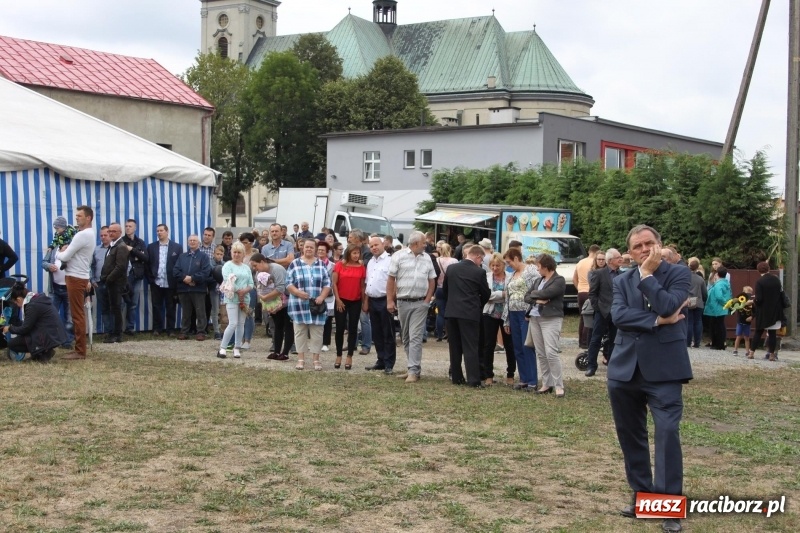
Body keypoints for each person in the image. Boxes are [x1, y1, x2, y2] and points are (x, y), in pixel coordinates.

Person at [609, 224, 691, 533]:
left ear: (659, 245)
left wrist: (647, 276)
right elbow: (619, 316)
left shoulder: (679, 274)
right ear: (629, 252)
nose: (644, 250)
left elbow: (669, 304)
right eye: (638, 246)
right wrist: (658, 321)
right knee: (631, 436)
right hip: (624, 369)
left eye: (649, 244)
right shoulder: (620, 280)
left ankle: (669, 509)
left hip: (665, 371)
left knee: (667, 434)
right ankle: (644, 498)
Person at [387, 231, 436, 383]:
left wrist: (427, 300)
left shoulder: (427, 258)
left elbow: (432, 280)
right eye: (423, 243)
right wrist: (390, 300)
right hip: (403, 301)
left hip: (420, 302)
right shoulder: (398, 256)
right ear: (415, 244)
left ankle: (413, 371)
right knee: (406, 337)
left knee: (415, 336)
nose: (425, 245)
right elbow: (391, 279)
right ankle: (412, 367)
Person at [443, 245, 491, 387]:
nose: (481, 262)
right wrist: (477, 304)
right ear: (477, 256)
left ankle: (457, 377)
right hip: (470, 313)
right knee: (470, 346)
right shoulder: (479, 272)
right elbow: (486, 293)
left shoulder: (451, 268)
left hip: (452, 312)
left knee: (455, 346)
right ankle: (473, 379)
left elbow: (445, 290)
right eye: (481, 259)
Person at [56, 205, 97, 360]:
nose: (77, 218)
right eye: (76, 215)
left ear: (88, 218)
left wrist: (60, 253)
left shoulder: (82, 235)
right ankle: (80, 348)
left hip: (75, 276)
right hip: (80, 276)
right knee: (78, 314)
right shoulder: (89, 234)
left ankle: (80, 350)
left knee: (77, 315)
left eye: (80, 216)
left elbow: (65, 256)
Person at [524, 253, 567, 397]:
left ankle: (559, 385)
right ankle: (546, 383)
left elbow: (549, 293)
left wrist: (537, 295)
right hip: (535, 318)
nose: (537, 269)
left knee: (551, 352)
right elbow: (526, 296)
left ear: (546, 266)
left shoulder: (559, 280)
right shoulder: (538, 280)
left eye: (538, 266)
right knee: (541, 353)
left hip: (551, 319)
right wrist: (538, 299)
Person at [286, 239, 332, 370]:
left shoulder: (321, 264)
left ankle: (316, 360)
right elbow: (288, 283)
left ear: (315, 249)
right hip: (299, 305)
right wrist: (298, 292)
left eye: (312, 247)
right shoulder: (294, 263)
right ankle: (300, 359)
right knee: (300, 332)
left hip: (317, 305)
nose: (309, 249)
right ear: (302, 248)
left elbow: (327, 283)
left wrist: (322, 296)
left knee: (317, 333)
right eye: (307, 247)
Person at [502, 248, 540, 391]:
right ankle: (523, 378)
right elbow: (508, 298)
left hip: (525, 313)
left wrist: (532, 310)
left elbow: (537, 290)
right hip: (513, 313)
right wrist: (506, 320)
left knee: (527, 346)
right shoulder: (511, 276)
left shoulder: (530, 271)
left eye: (509, 261)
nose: (508, 265)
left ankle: (532, 380)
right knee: (517, 347)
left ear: (517, 258)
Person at [2, 285, 66, 363]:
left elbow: (25, 328)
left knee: (12, 344)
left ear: (18, 299)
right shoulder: (35, 299)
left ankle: (42, 353)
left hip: (48, 335)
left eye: (15, 302)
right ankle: (39, 353)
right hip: (53, 333)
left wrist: (10, 328)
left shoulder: (31, 306)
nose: (16, 305)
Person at [585, 248, 622, 376]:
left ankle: (612, 366)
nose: (621, 259)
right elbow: (592, 293)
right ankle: (591, 366)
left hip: (617, 313)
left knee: (614, 340)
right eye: (618, 258)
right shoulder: (599, 274)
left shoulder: (621, 274)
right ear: (611, 260)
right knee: (595, 339)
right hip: (602, 312)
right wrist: (598, 308)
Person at [481, 253, 515, 386]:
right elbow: (486, 295)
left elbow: (511, 295)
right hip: (489, 314)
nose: (495, 268)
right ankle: (488, 375)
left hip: (506, 314)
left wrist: (498, 296)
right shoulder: (486, 277)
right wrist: (501, 294)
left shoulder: (510, 277)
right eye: (492, 265)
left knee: (509, 345)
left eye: (498, 265)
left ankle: (510, 374)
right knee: (488, 345)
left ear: (503, 265)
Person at [364, 236, 396, 374]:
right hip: (372, 300)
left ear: (383, 244)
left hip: (385, 300)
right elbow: (368, 283)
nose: (374, 248)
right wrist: (365, 301)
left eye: (376, 245)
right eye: (371, 246)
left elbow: (395, 282)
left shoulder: (390, 261)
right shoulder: (371, 262)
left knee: (387, 333)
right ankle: (381, 360)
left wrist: (391, 300)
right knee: (376, 333)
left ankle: (389, 363)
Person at [250, 253, 291, 361]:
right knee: (277, 326)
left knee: (288, 326)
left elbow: (281, 288)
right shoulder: (258, 273)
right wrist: (266, 302)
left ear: (263, 262)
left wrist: (266, 297)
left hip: (287, 301)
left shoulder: (276, 269)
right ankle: (276, 351)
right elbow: (259, 288)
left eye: (255, 265)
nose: (254, 268)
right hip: (273, 303)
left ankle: (285, 352)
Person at [332, 243, 366, 370]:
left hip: (355, 301)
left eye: (358, 253)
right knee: (340, 328)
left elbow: (363, 286)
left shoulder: (361, 267)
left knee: (353, 329)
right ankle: (339, 355)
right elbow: (334, 283)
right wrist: (338, 299)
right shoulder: (340, 265)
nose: (356, 255)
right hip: (341, 300)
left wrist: (364, 302)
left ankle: (350, 355)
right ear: (349, 253)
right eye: (354, 253)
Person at [217, 242, 253, 359]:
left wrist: (245, 291)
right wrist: (239, 291)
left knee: (241, 324)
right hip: (232, 297)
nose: (236, 254)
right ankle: (223, 347)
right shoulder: (227, 265)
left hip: (245, 298)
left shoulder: (246, 267)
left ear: (243, 254)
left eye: (239, 252)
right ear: (231, 253)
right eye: (234, 252)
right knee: (232, 323)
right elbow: (228, 280)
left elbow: (251, 283)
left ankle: (237, 347)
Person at [146, 224, 182, 336]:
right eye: (157, 231)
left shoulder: (177, 247)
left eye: (161, 230)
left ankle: (171, 329)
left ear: (167, 232)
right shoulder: (151, 247)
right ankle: (157, 329)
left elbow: (180, 265)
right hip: (156, 282)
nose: (159, 233)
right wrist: (150, 278)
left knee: (171, 306)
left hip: (170, 282)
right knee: (156, 306)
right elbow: (147, 264)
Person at [174, 234, 211, 341]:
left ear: (198, 242)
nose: (192, 242)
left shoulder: (204, 257)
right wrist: (185, 278)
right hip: (183, 289)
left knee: (200, 312)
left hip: (198, 289)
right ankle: (184, 331)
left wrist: (193, 278)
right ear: (188, 242)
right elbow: (175, 271)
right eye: (190, 240)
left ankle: (201, 332)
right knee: (186, 312)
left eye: (194, 240)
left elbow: (206, 272)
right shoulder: (182, 257)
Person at [100, 223, 130, 343]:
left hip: (116, 283)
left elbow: (120, 267)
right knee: (112, 308)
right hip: (110, 282)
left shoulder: (121, 246)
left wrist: (108, 279)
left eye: (113, 231)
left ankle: (117, 334)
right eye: (110, 231)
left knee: (116, 309)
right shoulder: (113, 246)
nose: (110, 233)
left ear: (119, 232)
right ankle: (113, 332)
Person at [753, 261, 783, 362]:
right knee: (772, 333)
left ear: (758, 270)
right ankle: (771, 354)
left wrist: (754, 301)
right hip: (775, 310)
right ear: (769, 268)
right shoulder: (776, 280)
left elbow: (759, 299)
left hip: (763, 311)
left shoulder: (759, 282)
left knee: (758, 332)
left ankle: (751, 352)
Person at [122, 219, 148, 335]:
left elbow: (146, 258)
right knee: (122, 302)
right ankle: (118, 328)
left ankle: (130, 327)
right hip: (125, 276)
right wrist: (137, 256)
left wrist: (132, 250)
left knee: (133, 303)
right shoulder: (121, 241)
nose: (128, 228)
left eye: (130, 226)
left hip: (137, 275)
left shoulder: (140, 242)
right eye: (126, 226)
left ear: (135, 228)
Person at [574, 244, 600, 348]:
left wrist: (579, 288)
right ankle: (586, 342)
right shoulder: (594, 263)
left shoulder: (580, 262)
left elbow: (574, 278)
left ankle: (581, 341)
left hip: (581, 292)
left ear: (589, 251)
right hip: (591, 292)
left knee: (582, 317)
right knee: (589, 318)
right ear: (597, 252)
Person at [433, 243, 458, 342]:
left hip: (439, 288)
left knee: (440, 313)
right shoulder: (454, 261)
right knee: (450, 312)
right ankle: (450, 334)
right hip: (450, 288)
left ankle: (439, 334)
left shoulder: (437, 260)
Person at [704, 266, 731, 350]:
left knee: (717, 326)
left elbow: (719, 296)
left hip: (716, 308)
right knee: (720, 325)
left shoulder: (718, 284)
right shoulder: (726, 283)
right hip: (722, 309)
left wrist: (724, 303)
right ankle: (720, 343)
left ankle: (718, 344)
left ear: (717, 274)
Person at [90, 226, 112, 334]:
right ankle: (107, 331)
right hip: (99, 283)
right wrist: (92, 280)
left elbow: (127, 266)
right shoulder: (96, 250)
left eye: (105, 235)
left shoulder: (117, 248)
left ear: (110, 235)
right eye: (101, 235)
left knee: (116, 307)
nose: (103, 237)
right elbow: (91, 266)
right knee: (104, 308)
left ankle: (116, 331)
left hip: (114, 284)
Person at [316, 241, 335, 353]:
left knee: (327, 320)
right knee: (316, 320)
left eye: (322, 250)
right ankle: (316, 342)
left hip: (329, 296)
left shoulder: (333, 266)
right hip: (316, 295)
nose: (320, 252)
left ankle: (326, 343)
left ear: (327, 252)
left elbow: (334, 281)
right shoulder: (313, 263)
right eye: (318, 250)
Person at [685, 259, 707, 348]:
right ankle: (697, 342)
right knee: (698, 322)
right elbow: (705, 293)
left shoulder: (685, 277)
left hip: (688, 301)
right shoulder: (700, 279)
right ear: (697, 268)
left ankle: (688, 342)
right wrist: (703, 300)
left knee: (689, 322)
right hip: (698, 302)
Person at [732, 286, 754, 357]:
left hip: (747, 323)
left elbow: (755, 311)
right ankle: (735, 350)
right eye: (747, 293)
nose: (748, 295)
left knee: (747, 337)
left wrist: (752, 317)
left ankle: (747, 351)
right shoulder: (740, 300)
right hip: (740, 321)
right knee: (738, 336)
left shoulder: (752, 303)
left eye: (750, 294)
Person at [209, 245, 225, 340]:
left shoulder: (225, 264)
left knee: (223, 311)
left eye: (221, 254)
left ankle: (223, 330)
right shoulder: (210, 263)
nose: (219, 256)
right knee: (215, 310)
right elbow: (208, 276)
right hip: (214, 289)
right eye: (217, 254)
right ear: (213, 254)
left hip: (223, 290)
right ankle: (216, 331)